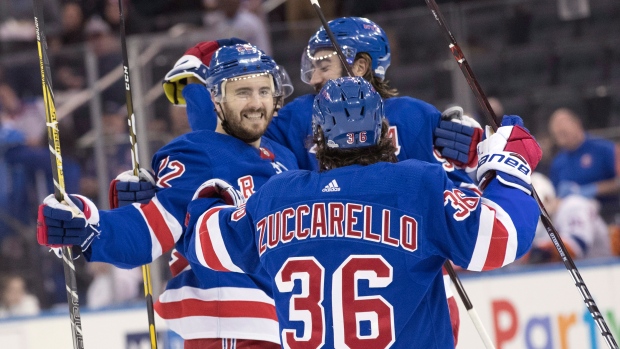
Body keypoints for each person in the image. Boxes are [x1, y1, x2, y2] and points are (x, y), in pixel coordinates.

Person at [163, 19, 483, 344]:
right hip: (339, 270)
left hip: (405, 279)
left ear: (360, 65)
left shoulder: (416, 116)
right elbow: (234, 131)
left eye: (323, 65)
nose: (314, 78)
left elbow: (460, 193)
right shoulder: (306, 113)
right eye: (311, 66)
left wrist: (469, 151)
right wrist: (211, 69)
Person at [183, 77, 542, 348]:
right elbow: (500, 236)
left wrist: (215, 192)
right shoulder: (416, 186)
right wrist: (509, 166)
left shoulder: (275, 197)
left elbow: (205, 243)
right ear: (385, 132)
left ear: (318, 139)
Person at [37, 44, 298, 348]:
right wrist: (87, 226)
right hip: (233, 329)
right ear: (215, 97)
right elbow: (153, 227)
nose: (256, 102)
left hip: (288, 327)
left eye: (264, 91)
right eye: (243, 92)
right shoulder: (197, 152)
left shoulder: (284, 158)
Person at [548, 107, 620, 220]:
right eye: (558, 136)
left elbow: (618, 183)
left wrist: (593, 189)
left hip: (607, 213)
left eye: (564, 133)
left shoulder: (604, 149)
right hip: (574, 217)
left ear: (576, 124)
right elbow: (556, 197)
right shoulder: (558, 163)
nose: (562, 139)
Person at [528, 172, 612, 263]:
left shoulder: (572, 205)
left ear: (548, 198)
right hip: (584, 270)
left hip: (603, 268)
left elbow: (575, 247)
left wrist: (537, 250)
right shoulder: (543, 221)